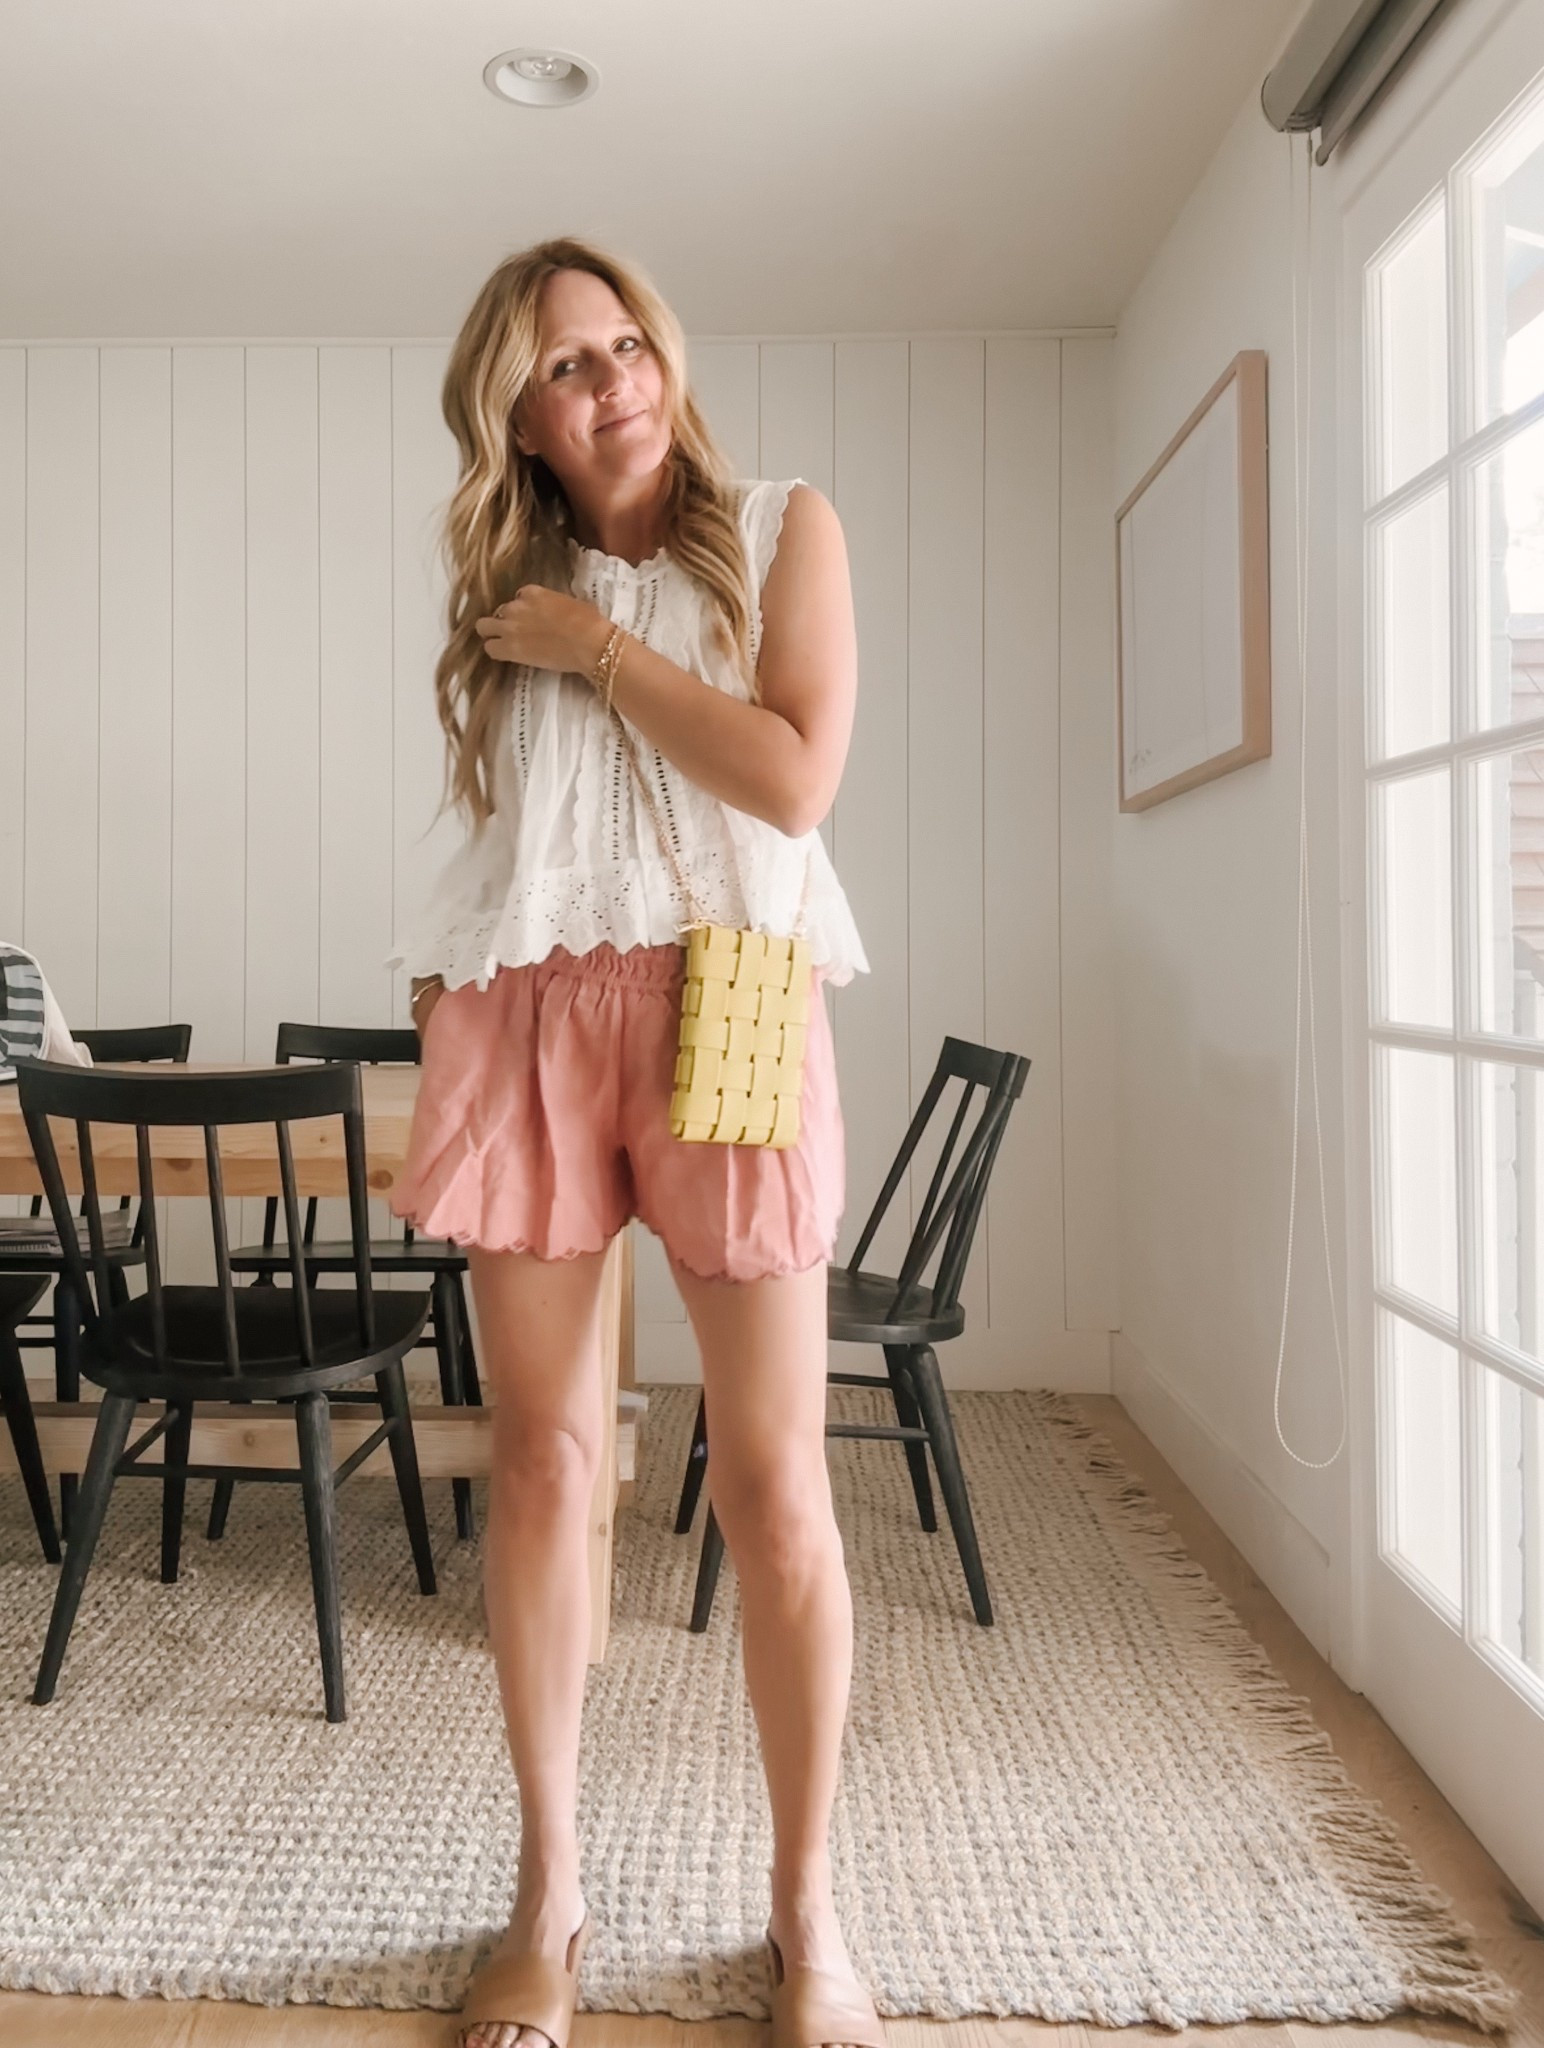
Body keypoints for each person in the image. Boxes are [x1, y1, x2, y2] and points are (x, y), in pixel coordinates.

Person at [389, 235, 883, 2048]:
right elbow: (514, 848)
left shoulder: (780, 532)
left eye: (625, 344)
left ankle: (808, 1917)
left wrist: (598, 648)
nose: (616, 383)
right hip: (533, 1020)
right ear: (515, 415)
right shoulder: (498, 595)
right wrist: (457, 1000)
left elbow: (793, 779)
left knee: (772, 1487)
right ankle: (551, 1889)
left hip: (732, 1005)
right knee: (539, 1460)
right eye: (568, 366)